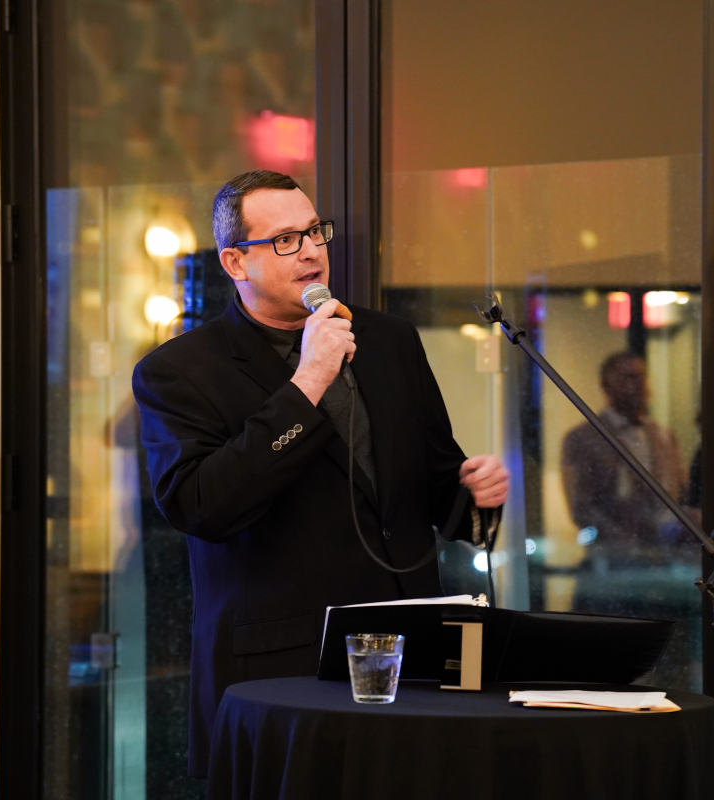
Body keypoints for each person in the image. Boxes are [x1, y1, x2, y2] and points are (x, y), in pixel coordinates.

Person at [132, 170, 509, 781]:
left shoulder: (388, 340)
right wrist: (306, 384)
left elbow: (435, 487)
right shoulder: (180, 372)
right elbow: (202, 506)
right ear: (235, 262)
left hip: (409, 661)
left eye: (314, 231)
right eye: (284, 240)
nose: (310, 250)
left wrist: (475, 498)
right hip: (282, 677)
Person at [561, 352, 688, 565]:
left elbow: (682, 491)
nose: (638, 385)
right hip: (612, 560)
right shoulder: (582, 438)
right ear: (606, 385)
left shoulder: (663, 435)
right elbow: (581, 507)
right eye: (628, 378)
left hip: (665, 556)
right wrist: (623, 540)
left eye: (641, 377)